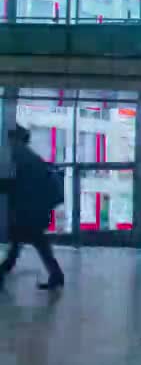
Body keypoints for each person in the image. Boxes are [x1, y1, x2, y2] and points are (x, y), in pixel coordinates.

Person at [0, 124, 64, 290]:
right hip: (36, 208)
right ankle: (56, 275)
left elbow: (17, 183)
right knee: (31, 240)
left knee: (26, 239)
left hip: (30, 209)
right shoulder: (29, 156)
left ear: (15, 139)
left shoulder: (19, 156)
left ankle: (3, 272)